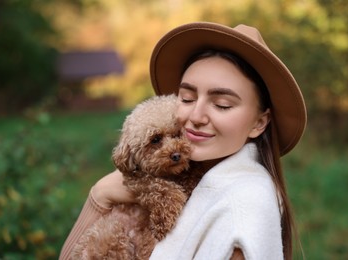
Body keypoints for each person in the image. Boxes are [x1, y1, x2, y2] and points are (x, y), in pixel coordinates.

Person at [59, 22, 306, 259]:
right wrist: (101, 196)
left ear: (259, 123)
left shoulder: (243, 209)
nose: (195, 117)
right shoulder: (177, 178)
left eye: (222, 104)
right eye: (186, 98)